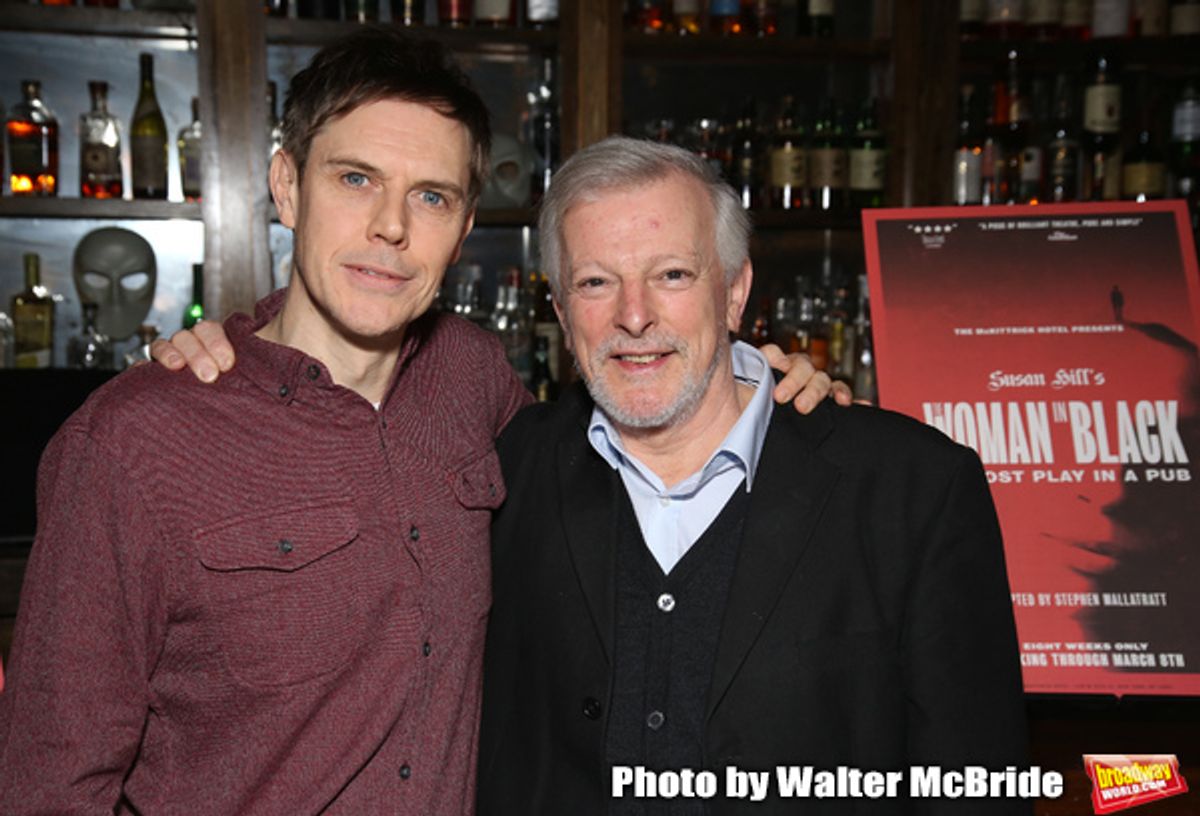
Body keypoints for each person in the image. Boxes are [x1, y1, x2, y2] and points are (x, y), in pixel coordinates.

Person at [0, 31, 834, 815]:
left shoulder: (472, 380)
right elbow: (50, 785)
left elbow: (639, 433)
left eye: (429, 196)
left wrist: (763, 385)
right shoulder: (133, 443)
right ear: (286, 185)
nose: (390, 228)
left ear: (466, 228)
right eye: (355, 179)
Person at [475, 137, 1030, 815]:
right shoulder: (505, 472)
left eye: (673, 274)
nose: (634, 314)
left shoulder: (916, 489)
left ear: (735, 292)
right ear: (560, 313)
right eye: (595, 282)